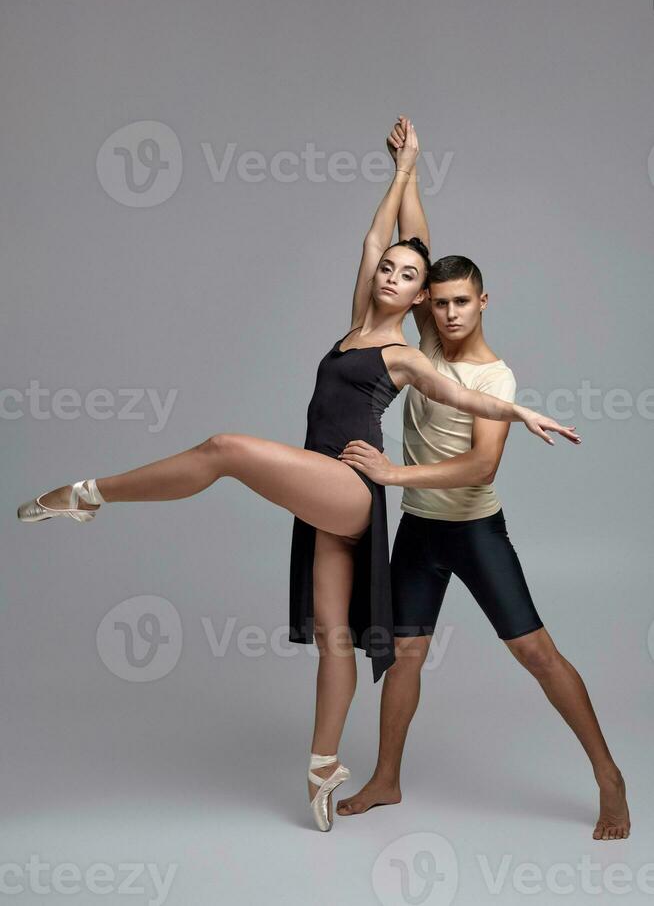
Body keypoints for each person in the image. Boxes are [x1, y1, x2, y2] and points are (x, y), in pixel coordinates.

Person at [16, 121, 580, 834]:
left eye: (411, 278)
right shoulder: (356, 322)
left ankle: (88, 494)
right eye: (390, 270)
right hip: (320, 491)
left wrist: (520, 409)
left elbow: (464, 397)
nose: (393, 276)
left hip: (347, 486)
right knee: (332, 638)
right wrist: (407, 168)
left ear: (419, 301)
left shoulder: (406, 353)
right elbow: (383, 239)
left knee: (223, 448)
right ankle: (322, 766)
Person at [334, 118, 630, 841]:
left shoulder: (494, 376)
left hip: (472, 530)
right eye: (436, 302)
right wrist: (410, 166)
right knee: (404, 655)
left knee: (534, 651)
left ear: (484, 302)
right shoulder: (428, 344)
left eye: (460, 301)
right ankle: (387, 778)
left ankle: (608, 775)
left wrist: (393, 472)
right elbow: (417, 246)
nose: (446, 311)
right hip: (420, 533)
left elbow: (481, 466)